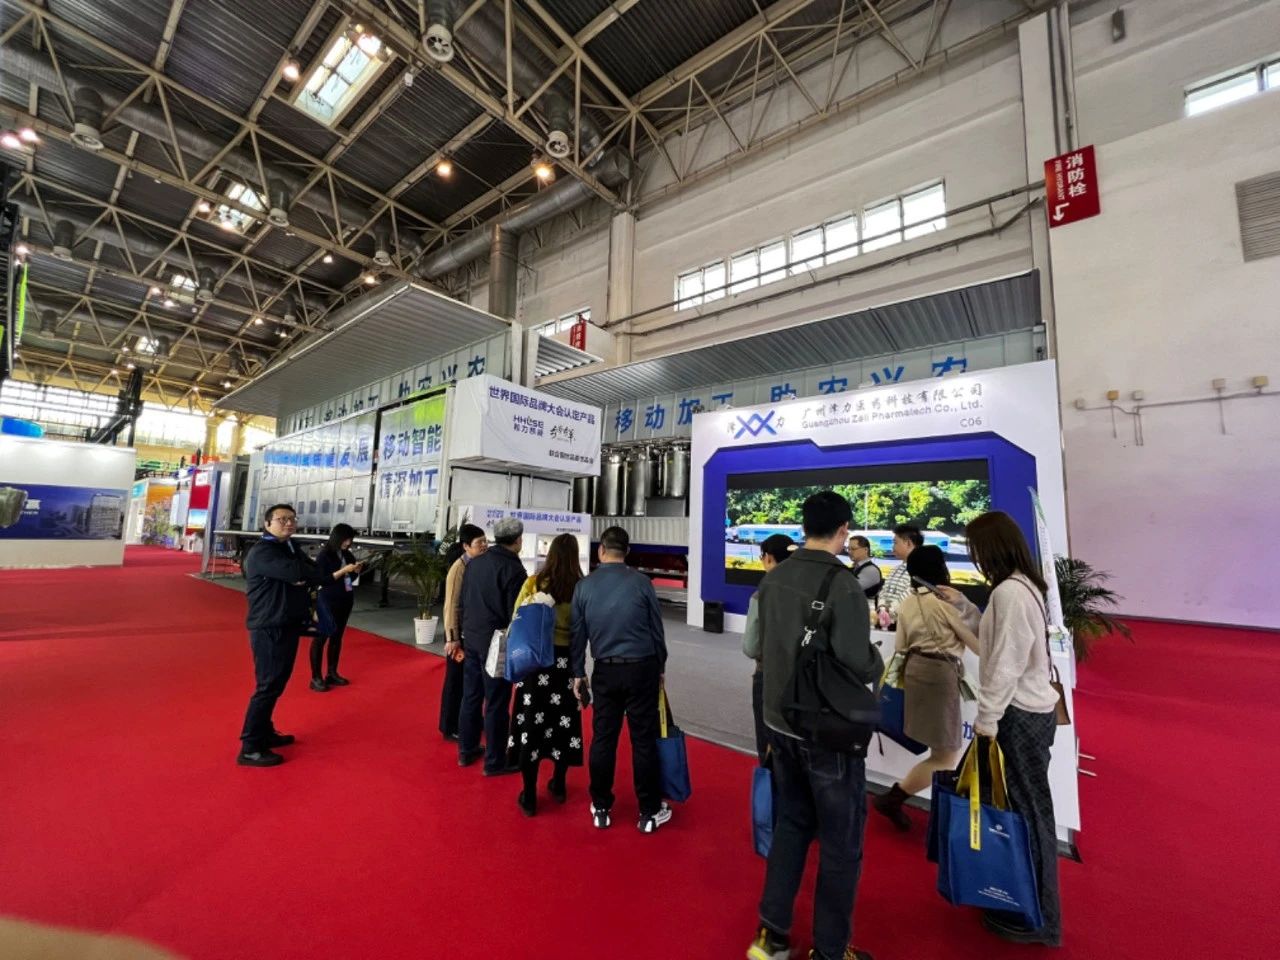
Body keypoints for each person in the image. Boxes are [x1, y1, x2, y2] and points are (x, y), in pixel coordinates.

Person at [746, 491, 882, 960]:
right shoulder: (843, 585)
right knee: (841, 844)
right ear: (843, 530)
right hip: (825, 730)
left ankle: (772, 934)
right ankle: (829, 950)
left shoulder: (775, 577)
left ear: (805, 527)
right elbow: (856, 661)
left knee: (791, 824)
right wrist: (878, 660)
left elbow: (759, 646)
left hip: (778, 720)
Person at [940, 511, 1063, 947]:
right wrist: (965, 606)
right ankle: (1022, 903)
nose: (973, 557)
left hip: (1018, 716)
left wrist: (987, 720)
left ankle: (1038, 917)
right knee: (1021, 811)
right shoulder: (1021, 586)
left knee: (1025, 815)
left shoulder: (1011, 592)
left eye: (975, 548)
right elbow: (998, 642)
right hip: (1028, 713)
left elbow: (1005, 665)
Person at [570, 525, 671, 834]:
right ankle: (648, 812)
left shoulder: (584, 587)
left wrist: (578, 673)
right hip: (642, 669)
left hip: (605, 670)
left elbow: (577, 635)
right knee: (644, 740)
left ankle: (601, 806)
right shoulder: (642, 583)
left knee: (603, 738)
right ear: (627, 552)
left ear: (601, 550)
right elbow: (656, 631)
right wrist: (661, 667)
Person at [870, 545, 979, 831]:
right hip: (940, 677)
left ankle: (897, 799)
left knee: (942, 752)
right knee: (945, 755)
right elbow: (979, 644)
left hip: (915, 672)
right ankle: (895, 798)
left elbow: (900, 646)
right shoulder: (946, 604)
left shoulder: (908, 603)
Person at [237, 503, 327, 767]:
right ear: (267, 524)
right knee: (267, 686)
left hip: (286, 623)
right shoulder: (263, 551)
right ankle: (250, 747)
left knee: (277, 683)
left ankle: (265, 732)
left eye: (292, 519)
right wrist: (300, 575)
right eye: (282, 519)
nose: (289, 523)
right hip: (269, 626)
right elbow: (299, 572)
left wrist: (302, 576)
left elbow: (314, 573)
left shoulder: (289, 546)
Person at [511, 532, 586, 816]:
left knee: (531, 724)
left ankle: (529, 794)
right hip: (566, 665)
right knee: (563, 723)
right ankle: (559, 784)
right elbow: (584, 630)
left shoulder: (534, 583)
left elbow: (516, 618)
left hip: (535, 663)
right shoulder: (581, 588)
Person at [458, 517, 527, 775]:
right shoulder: (514, 569)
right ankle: (495, 761)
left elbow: (464, 600)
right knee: (497, 701)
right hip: (496, 643)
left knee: (471, 695)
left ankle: (466, 750)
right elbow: (515, 614)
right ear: (518, 540)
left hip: (472, 637)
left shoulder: (475, 563)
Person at [742, 533, 795, 766]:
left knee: (768, 741)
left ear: (769, 558)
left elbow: (750, 646)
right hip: (805, 676)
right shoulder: (809, 588)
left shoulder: (762, 593)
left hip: (769, 675)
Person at [440, 524, 487, 741]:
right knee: (455, 680)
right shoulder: (458, 569)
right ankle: (449, 726)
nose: (484, 546)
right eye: (479, 543)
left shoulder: (478, 564)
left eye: (485, 541)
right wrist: (452, 637)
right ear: (466, 546)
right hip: (457, 634)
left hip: (471, 632)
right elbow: (451, 605)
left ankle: (470, 720)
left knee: (471, 681)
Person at [309, 523, 363, 692]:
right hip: (327, 600)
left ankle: (332, 673)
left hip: (345, 599)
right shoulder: (325, 555)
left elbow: (350, 578)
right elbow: (322, 580)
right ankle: (316, 677)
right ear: (337, 538)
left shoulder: (348, 554)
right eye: (346, 539)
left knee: (337, 637)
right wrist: (343, 571)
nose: (348, 543)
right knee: (321, 638)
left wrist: (356, 571)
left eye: (350, 540)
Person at [874, 523, 924, 628]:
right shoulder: (895, 569)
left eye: (895, 543)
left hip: (905, 626)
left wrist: (889, 612)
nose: (893, 547)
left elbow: (911, 593)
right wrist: (882, 608)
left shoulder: (921, 570)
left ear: (908, 543)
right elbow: (884, 591)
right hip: (887, 622)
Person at [846, 535, 883, 601]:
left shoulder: (871, 570)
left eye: (853, 549)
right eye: (848, 549)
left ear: (866, 550)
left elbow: (848, 589)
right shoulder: (855, 568)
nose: (849, 552)